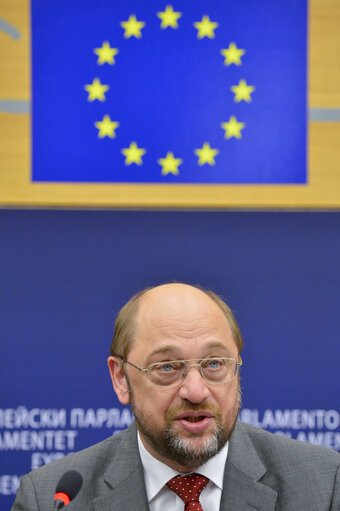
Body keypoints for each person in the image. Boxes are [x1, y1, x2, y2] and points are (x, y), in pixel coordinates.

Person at [12, 283, 340, 510]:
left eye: (214, 363)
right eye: (167, 367)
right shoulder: (51, 499)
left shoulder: (323, 486)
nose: (196, 391)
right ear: (120, 378)